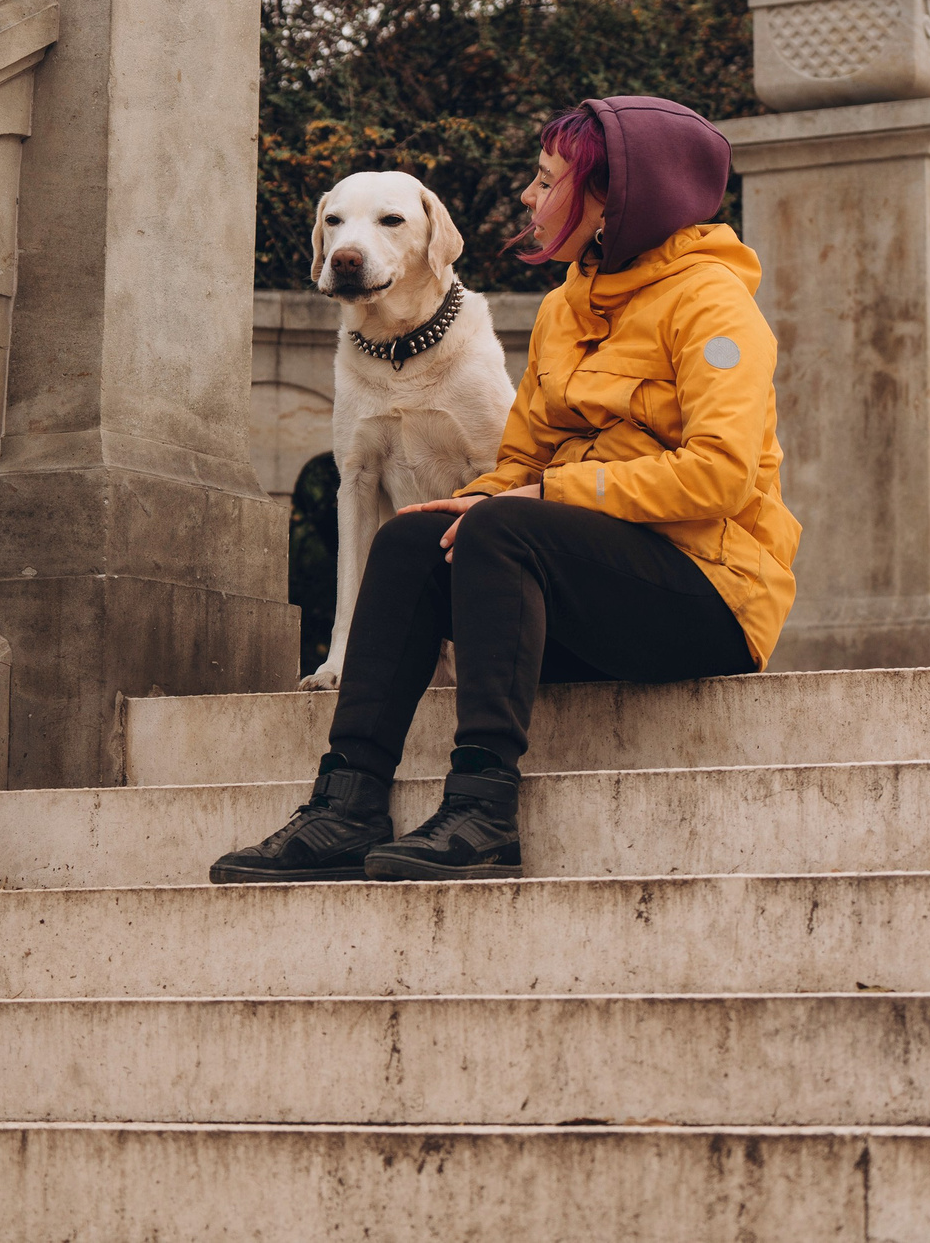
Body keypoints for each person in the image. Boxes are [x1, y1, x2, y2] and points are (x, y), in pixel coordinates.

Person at [212, 95, 801, 883]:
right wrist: (483, 499)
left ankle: (483, 810)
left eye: (546, 177)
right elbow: (517, 463)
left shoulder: (714, 305)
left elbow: (722, 474)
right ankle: (345, 803)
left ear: (609, 200)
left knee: (501, 525)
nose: (529, 194)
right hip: (594, 596)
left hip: (709, 600)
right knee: (417, 531)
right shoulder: (564, 308)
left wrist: (543, 498)